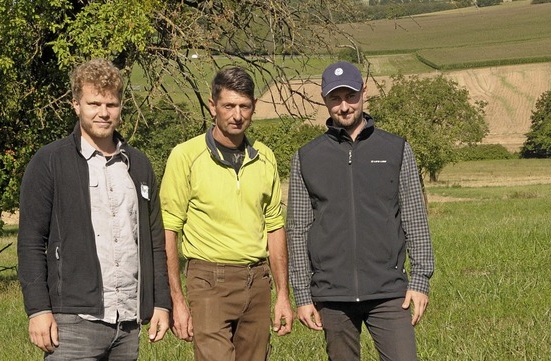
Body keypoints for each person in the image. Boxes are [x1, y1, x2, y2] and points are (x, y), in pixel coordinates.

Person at [17, 58, 170, 360]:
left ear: (121, 106)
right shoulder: (50, 161)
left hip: (127, 324)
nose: (103, 112)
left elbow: (154, 241)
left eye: (111, 104)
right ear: (76, 104)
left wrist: (161, 303)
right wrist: (38, 309)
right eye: (94, 103)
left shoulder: (137, 165)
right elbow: (31, 241)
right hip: (72, 323)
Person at [287, 61, 435, 361]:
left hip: (390, 292)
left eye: (350, 96)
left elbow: (415, 219)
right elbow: (298, 230)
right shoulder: (306, 157)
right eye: (335, 98)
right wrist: (302, 294)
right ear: (324, 99)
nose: (344, 106)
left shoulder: (396, 150)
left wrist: (420, 280)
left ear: (363, 92)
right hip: (332, 295)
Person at [160, 66, 293, 361]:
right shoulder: (185, 156)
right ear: (213, 106)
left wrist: (283, 294)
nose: (237, 115)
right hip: (208, 280)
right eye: (229, 106)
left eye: (244, 106)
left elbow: (274, 227)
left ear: (254, 107)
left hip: (257, 280)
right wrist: (176, 298)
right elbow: (169, 228)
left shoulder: (265, 157)